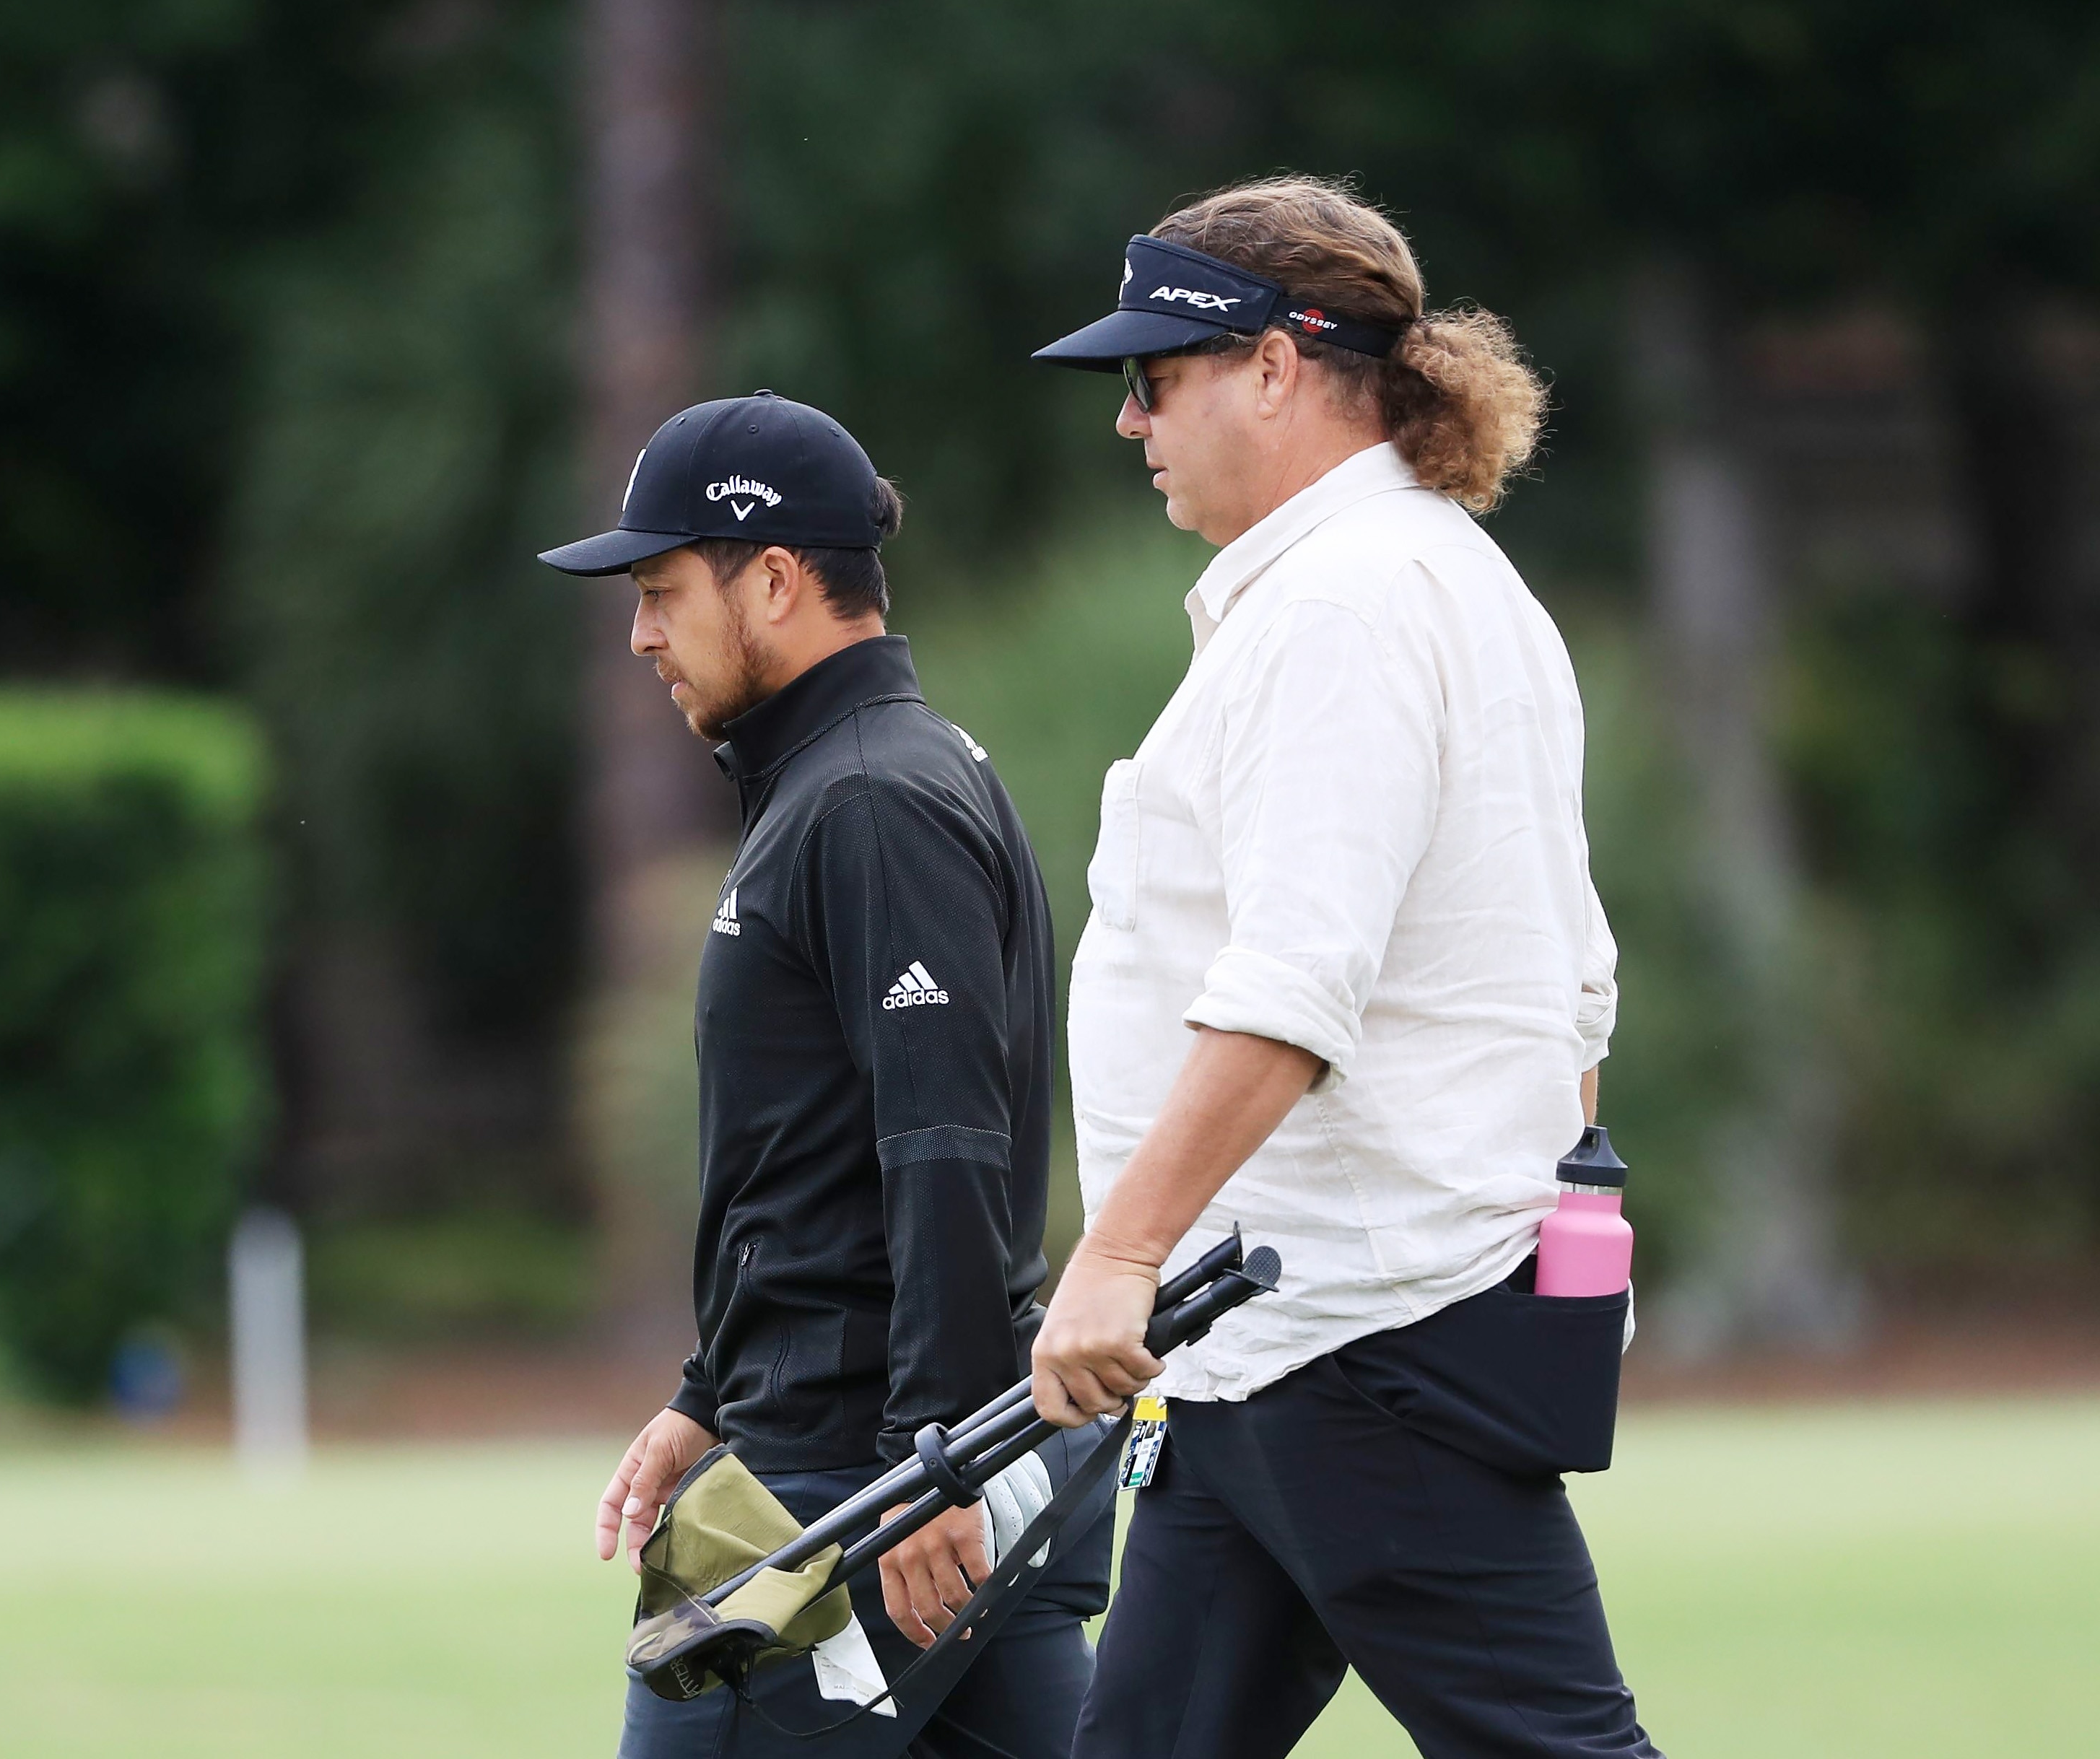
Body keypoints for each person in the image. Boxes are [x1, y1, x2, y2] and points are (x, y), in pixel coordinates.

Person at [1024, 178, 1663, 1758]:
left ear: (1270, 366)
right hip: (1285, 1339)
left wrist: (1115, 1254)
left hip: (1360, 1345)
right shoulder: (1430, 578)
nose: (1129, 423)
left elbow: (1288, 986)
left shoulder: (1341, 606)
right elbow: (1574, 987)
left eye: (1149, 378)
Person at [541, 390, 1115, 1758]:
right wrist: (705, 1394)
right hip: (884, 1448)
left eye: (663, 590)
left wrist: (930, 1465)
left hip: (855, 1486)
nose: (641, 635)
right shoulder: (854, 780)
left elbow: (941, 1145)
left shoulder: (866, 799)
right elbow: (812, 1155)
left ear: (778, 581)